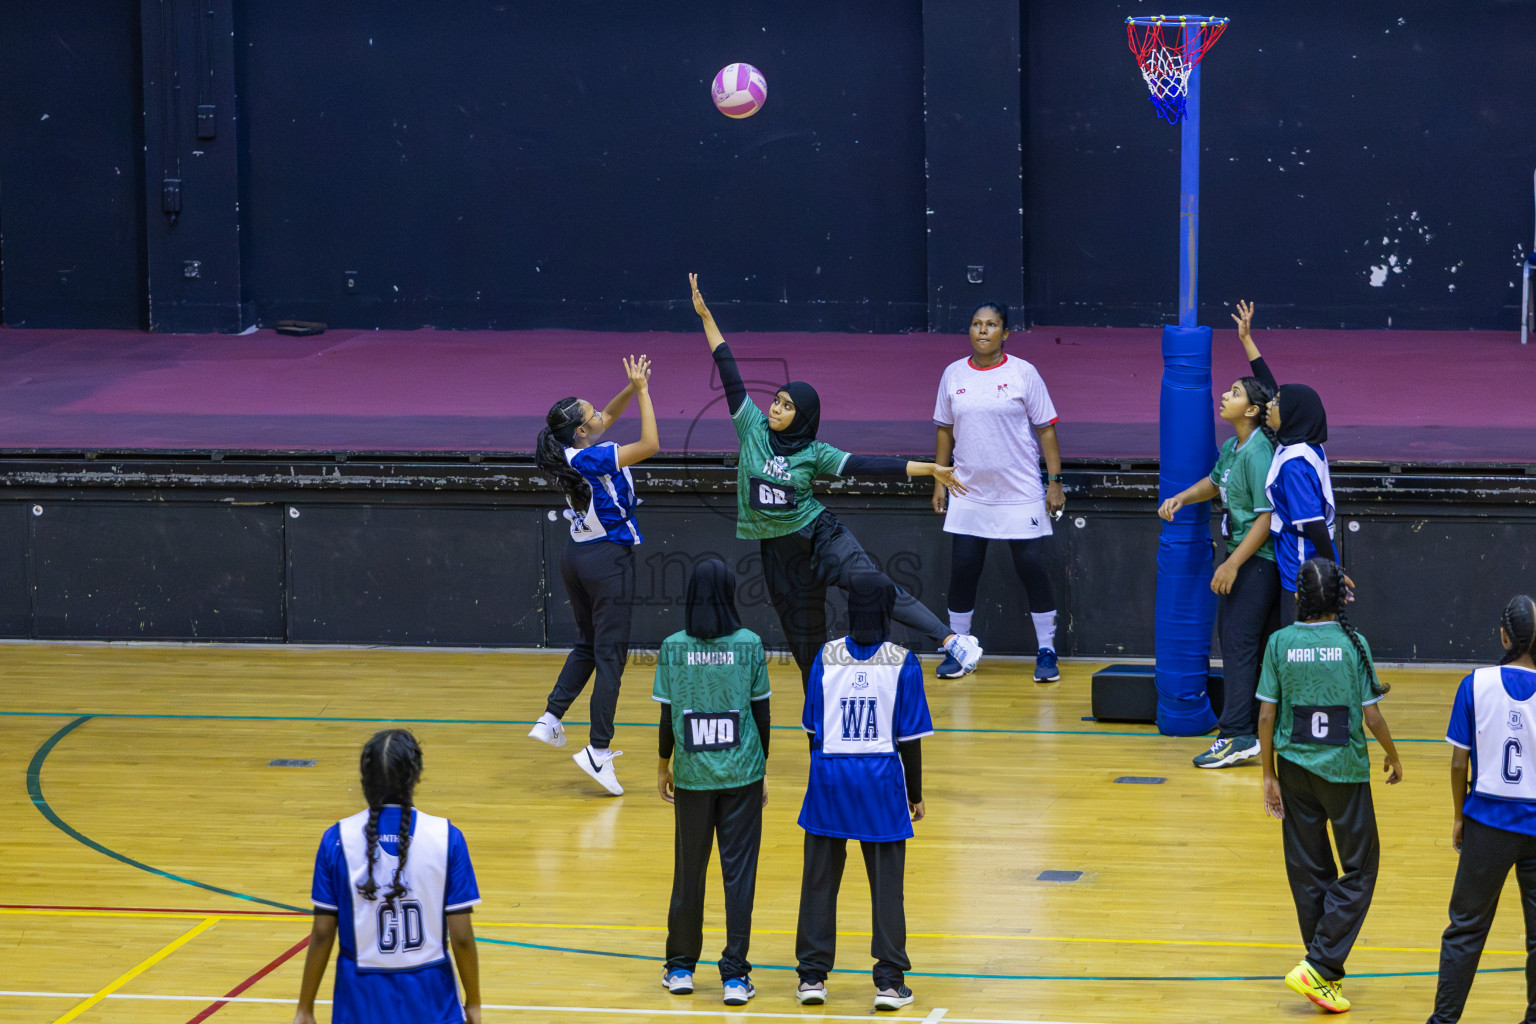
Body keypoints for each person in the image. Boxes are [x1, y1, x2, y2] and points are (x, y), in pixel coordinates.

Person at [689, 273, 981, 690]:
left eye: (787, 406)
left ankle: (953, 641)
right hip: (779, 554)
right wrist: (706, 316)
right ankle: (820, 741)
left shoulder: (815, 452)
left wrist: (930, 469)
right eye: (776, 400)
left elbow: (868, 465)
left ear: (802, 416)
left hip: (823, 537)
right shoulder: (751, 427)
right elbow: (728, 367)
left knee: (875, 585)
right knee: (807, 654)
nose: (775, 408)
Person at [1257, 558, 1401, 1015]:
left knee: (1309, 870)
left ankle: (1322, 973)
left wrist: (1267, 773)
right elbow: (1371, 715)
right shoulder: (1353, 643)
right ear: (1341, 599)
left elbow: (1264, 716)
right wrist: (1394, 755)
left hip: (1294, 769)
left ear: (1299, 597)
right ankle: (1320, 965)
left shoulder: (1279, 643)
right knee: (1361, 868)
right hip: (1343, 770)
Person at [794, 574, 932, 1012]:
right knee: (887, 887)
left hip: (829, 779)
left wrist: (824, 772)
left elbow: (813, 729)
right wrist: (915, 793)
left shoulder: (825, 655)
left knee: (818, 881)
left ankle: (812, 978)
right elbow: (909, 738)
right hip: (880, 781)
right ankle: (889, 983)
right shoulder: (903, 660)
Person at [528, 355, 658, 796]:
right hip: (607, 562)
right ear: (581, 431)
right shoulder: (595, 457)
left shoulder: (567, 450)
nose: (601, 415)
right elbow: (650, 444)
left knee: (588, 643)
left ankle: (550, 718)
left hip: (576, 557)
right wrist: (644, 393)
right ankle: (597, 752)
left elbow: (609, 416)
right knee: (610, 659)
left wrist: (630, 385)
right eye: (592, 414)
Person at [292, 729, 482, 1024]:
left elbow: (322, 934)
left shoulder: (336, 839)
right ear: (416, 776)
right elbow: (461, 937)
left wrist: (305, 1008)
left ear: (364, 779)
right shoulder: (448, 838)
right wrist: (474, 1003)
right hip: (433, 1006)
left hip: (360, 1006)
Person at [653, 558, 772, 1007]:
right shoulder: (750, 645)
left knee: (689, 871)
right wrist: (761, 772)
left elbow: (667, 719)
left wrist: (663, 767)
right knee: (738, 877)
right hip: (742, 774)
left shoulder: (672, 647)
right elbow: (762, 717)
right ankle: (735, 977)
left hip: (692, 777)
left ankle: (681, 967)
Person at [932, 301, 1067, 683]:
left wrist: (1054, 482)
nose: (983, 330)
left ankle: (1046, 650)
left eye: (991, 325)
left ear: (1005, 333)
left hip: (1020, 490)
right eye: (976, 324)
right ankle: (959, 648)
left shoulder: (1024, 373)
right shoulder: (953, 373)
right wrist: (940, 480)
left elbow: (1046, 430)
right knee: (963, 569)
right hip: (967, 491)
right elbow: (944, 429)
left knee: (1031, 568)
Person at [1158, 359, 1281, 768]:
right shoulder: (1233, 448)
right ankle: (1259, 731)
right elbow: (1214, 483)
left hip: (1256, 562)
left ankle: (1236, 735)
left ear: (1251, 410)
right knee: (1245, 646)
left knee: (1239, 648)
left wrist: (1231, 565)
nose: (1224, 396)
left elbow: (1266, 519)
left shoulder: (1259, 453)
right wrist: (1181, 497)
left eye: (1234, 392)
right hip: (1244, 560)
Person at [1425, 594, 1536, 1024]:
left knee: (1465, 929)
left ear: (1504, 635)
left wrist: (1459, 815)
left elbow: (1458, 762)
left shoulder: (1475, 683)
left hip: (1487, 823)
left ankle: (1444, 1019)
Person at [1231, 300, 1338, 621]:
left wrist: (1334, 571)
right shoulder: (1298, 441)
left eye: (1275, 404)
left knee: (1294, 636)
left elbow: (1315, 523)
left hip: (1301, 565)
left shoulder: (1293, 464)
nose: (1267, 406)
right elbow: (1270, 388)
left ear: (1290, 415)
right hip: (1296, 559)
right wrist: (1247, 340)